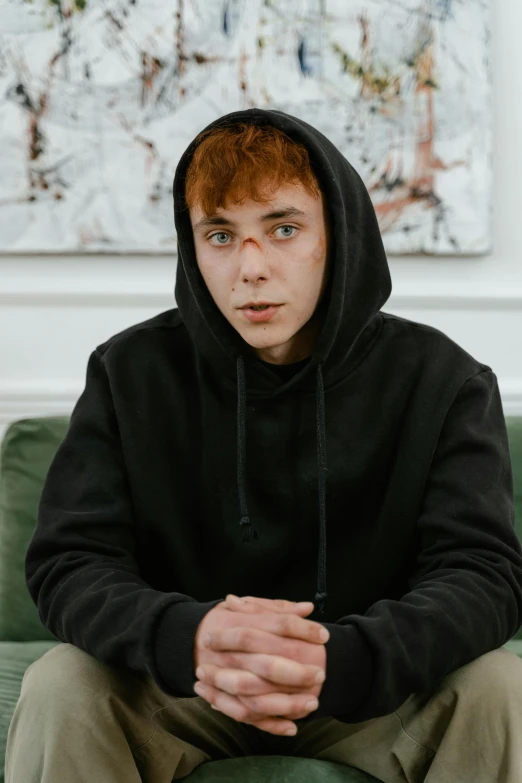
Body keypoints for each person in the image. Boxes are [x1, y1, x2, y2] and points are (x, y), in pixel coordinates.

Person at [5, 107, 522, 783]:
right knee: (61, 682)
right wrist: (188, 636)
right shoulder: (129, 372)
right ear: (194, 246)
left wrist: (343, 659)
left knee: (499, 686)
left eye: (282, 228)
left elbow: (484, 574)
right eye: (220, 234)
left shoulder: (445, 380)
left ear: (336, 235)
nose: (250, 267)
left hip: (372, 691)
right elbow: (70, 562)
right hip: (186, 686)